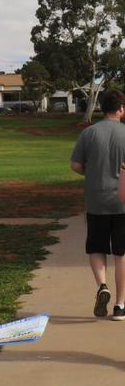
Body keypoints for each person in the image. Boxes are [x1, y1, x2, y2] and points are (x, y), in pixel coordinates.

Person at [71, 90, 125, 321]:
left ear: (102, 108)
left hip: (96, 201)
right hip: (123, 202)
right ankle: (120, 306)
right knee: (121, 253)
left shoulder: (89, 133)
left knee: (96, 247)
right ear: (121, 108)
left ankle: (102, 285)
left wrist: (92, 172)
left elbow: (75, 165)